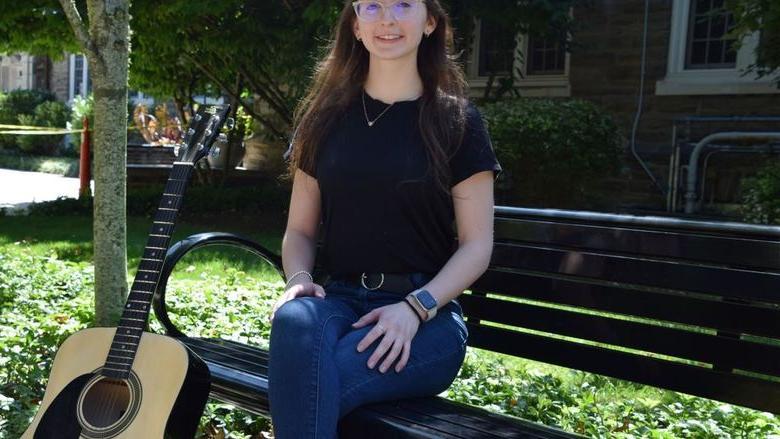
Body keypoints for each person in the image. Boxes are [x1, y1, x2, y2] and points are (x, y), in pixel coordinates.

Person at [267, 1, 503, 437]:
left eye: (403, 5)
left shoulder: (457, 122)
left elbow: (477, 246)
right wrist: (298, 277)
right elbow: (299, 230)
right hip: (336, 302)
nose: (387, 19)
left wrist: (415, 309)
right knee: (294, 321)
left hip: (426, 321)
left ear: (429, 22)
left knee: (310, 383)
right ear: (355, 25)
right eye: (372, 6)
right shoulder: (323, 120)